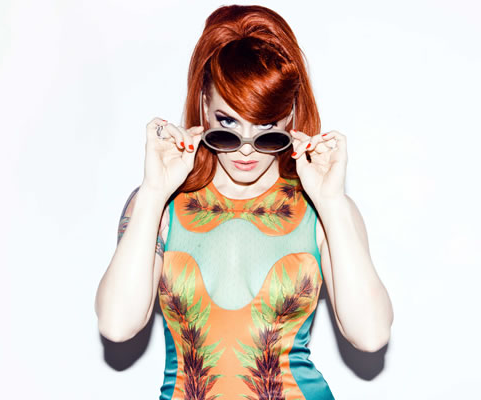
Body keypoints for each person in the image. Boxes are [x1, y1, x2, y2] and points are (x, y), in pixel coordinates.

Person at [95, 5, 394, 399]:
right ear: (204, 105)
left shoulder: (321, 209)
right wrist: (153, 192)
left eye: (267, 127)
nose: (247, 149)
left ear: (289, 114)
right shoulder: (161, 205)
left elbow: (370, 335)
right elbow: (117, 325)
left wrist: (332, 202)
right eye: (228, 124)